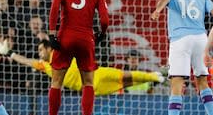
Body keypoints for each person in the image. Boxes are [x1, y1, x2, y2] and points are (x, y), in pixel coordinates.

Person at [46, 0, 109, 115]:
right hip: (86, 39)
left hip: (65, 37)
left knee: (56, 82)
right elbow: (104, 20)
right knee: (88, 83)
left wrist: (52, 34)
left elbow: (54, 9)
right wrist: (101, 34)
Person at [10, 40, 164, 95]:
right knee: (125, 83)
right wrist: (10, 53)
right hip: (90, 87)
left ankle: (156, 76)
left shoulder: (62, 52)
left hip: (96, 72)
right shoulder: (45, 66)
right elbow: (26, 61)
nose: (39, 53)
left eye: (40, 50)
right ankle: (156, 76)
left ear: (49, 49)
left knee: (125, 75)